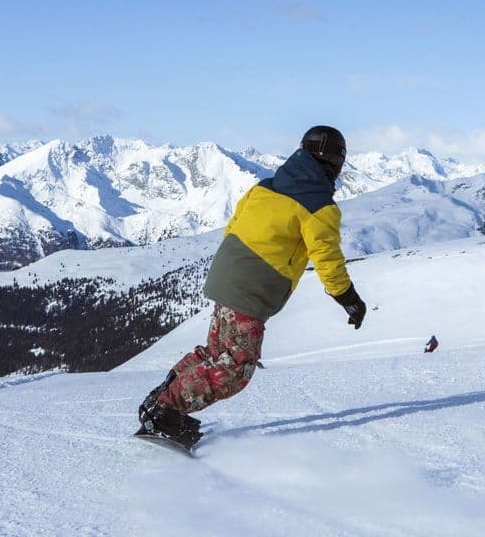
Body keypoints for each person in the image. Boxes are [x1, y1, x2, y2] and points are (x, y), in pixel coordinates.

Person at [136, 125, 367, 449]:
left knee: (217, 354)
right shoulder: (319, 206)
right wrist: (349, 299)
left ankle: (160, 402)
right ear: (335, 164)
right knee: (236, 366)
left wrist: (237, 268)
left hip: (227, 273)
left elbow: (233, 226)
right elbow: (327, 259)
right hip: (250, 290)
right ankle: (166, 411)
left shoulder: (265, 187)